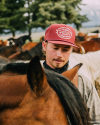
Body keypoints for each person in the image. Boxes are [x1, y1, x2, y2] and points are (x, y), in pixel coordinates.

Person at [42, 24, 100, 124]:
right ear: (44, 46)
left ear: (72, 50)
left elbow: (96, 121)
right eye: (55, 48)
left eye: (65, 49)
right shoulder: (29, 79)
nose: (59, 55)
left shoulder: (83, 84)